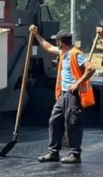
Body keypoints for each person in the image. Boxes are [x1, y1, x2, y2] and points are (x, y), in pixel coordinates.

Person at [30, 26, 96, 164]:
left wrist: (77, 83)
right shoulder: (62, 52)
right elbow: (47, 47)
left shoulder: (76, 54)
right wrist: (36, 34)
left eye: (57, 41)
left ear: (61, 42)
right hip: (63, 94)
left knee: (72, 123)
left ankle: (75, 154)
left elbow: (91, 68)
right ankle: (54, 152)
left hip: (74, 94)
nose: (56, 44)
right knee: (54, 120)